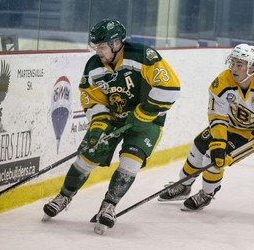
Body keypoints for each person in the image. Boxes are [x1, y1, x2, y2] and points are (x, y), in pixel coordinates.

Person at [43, 19, 181, 232]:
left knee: (130, 162)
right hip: (113, 117)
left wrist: (145, 111)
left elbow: (170, 87)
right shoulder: (94, 65)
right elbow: (91, 99)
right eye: (95, 46)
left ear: (117, 43)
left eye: (102, 46)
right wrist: (98, 125)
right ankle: (64, 196)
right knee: (88, 154)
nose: (98, 51)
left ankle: (109, 206)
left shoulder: (143, 56)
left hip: (147, 120)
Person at [158, 44, 254, 211]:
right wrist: (219, 140)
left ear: (253, 67)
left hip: (251, 134)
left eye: (239, 65)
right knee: (198, 148)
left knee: (214, 159)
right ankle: (184, 185)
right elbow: (217, 116)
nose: (233, 68)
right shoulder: (222, 82)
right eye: (232, 63)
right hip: (228, 126)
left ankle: (207, 193)